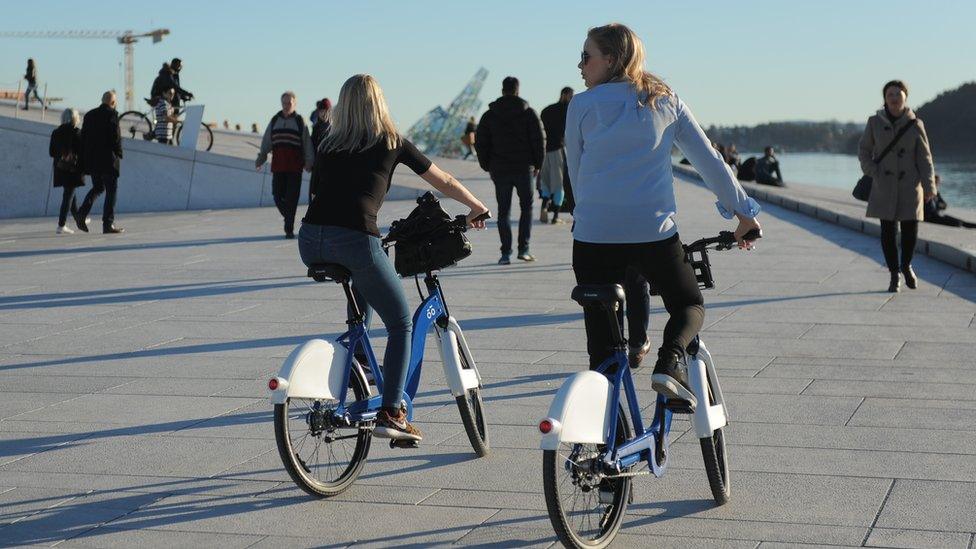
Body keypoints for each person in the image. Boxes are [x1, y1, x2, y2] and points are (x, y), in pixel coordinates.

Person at [566, 23, 762, 404]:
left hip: (592, 239)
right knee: (689, 304)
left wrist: (589, 214)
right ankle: (669, 361)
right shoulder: (665, 99)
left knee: (602, 348)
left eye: (586, 56)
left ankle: (605, 443)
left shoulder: (580, 106)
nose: (580, 64)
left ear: (610, 59)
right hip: (652, 236)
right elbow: (710, 161)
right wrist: (744, 214)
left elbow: (578, 174)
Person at [301, 74, 490, 441]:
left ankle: (359, 359)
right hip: (355, 239)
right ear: (379, 104)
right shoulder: (392, 142)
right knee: (401, 323)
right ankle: (393, 412)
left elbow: (322, 194)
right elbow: (444, 180)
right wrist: (476, 206)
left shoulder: (328, 144)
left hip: (311, 240)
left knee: (365, 285)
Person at [858, 79, 935, 292]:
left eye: (898, 94)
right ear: (884, 98)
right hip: (884, 184)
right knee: (888, 232)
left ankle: (906, 265)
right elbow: (864, 150)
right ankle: (894, 274)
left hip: (911, 185)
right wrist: (872, 171)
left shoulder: (915, 124)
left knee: (910, 230)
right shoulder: (874, 122)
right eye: (890, 94)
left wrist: (929, 187)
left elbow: (925, 158)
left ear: (905, 97)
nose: (894, 98)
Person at [475, 76, 545, 264]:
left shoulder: (490, 115)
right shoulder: (529, 113)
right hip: (524, 168)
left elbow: (480, 142)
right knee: (526, 208)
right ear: (517, 90)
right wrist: (538, 164)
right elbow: (539, 141)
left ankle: (505, 253)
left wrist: (486, 165)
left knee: (503, 211)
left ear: (502, 89)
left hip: (500, 169)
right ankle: (524, 249)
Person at [255, 91, 314, 239]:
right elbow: (267, 142)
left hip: (295, 168)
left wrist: (309, 162)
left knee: (292, 198)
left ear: (295, 104)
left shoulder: (300, 121)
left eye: (289, 103)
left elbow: (307, 143)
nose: (287, 105)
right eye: (284, 103)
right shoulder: (275, 120)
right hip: (278, 167)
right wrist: (260, 160)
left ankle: (289, 228)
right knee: (277, 195)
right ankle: (288, 216)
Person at [76, 91, 125, 234]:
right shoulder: (112, 115)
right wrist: (119, 152)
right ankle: (107, 224)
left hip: (92, 160)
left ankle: (81, 213)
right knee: (111, 190)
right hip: (108, 160)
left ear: (102, 100)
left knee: (98, 187)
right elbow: (116, 137)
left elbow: (83, 137)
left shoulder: (90, 115)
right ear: (113, 103)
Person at [539, 87, 574, 224]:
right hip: (558, 150)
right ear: (566, 95)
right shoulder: (567, 110)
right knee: (559, 185)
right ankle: (555, 216)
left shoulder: (547, 110)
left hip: (546, 151)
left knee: (546, 183)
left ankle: (544, 207)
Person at [49, 108, 87, 234]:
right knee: (68, 196)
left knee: (70, 193)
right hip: (73, 169)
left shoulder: (56, 132)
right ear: (76, 118)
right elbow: (82, 152)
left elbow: (51, 152)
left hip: (60, 168)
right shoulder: (77, 133)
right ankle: (61, 224)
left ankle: (78, 217)